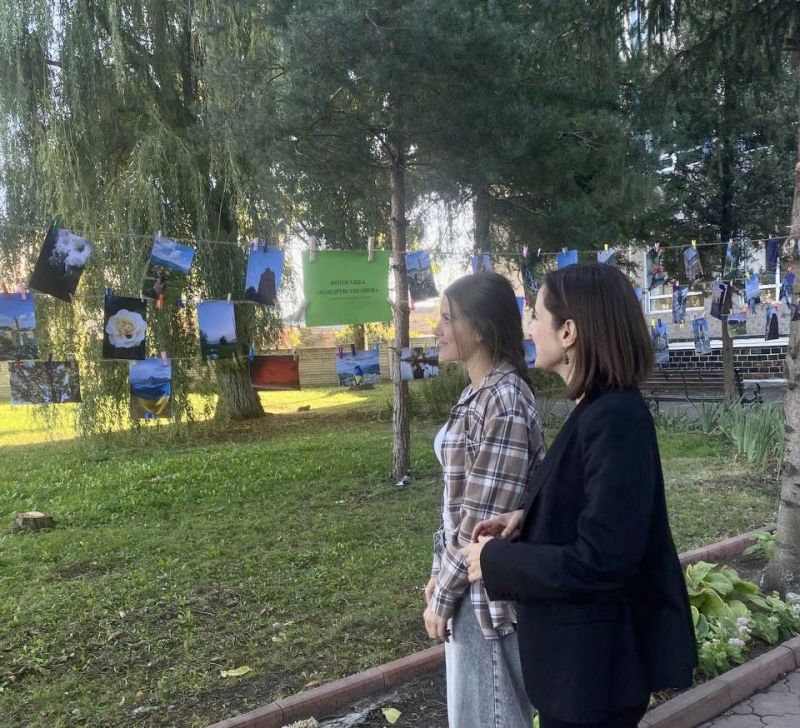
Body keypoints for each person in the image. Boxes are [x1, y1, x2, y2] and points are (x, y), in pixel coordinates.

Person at [462, 263, 697, 728]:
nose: (528, 328)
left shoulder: (615, 418)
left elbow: (603, 559)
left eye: (535, 315)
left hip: (594, 676)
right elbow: (592, 504)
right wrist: (526, 516)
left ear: (568, 332)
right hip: (580, 671)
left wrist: (495, 560)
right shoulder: (596, 410)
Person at [424, 271, 545, 728]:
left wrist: (443, 595)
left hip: (486, 600)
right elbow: (454, 501)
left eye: (447, 318)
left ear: (479, 329)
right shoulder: (475, 394)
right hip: (465, 586)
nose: (437, 329)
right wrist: (437, 574)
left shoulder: (504, 401)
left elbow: (482, 520)